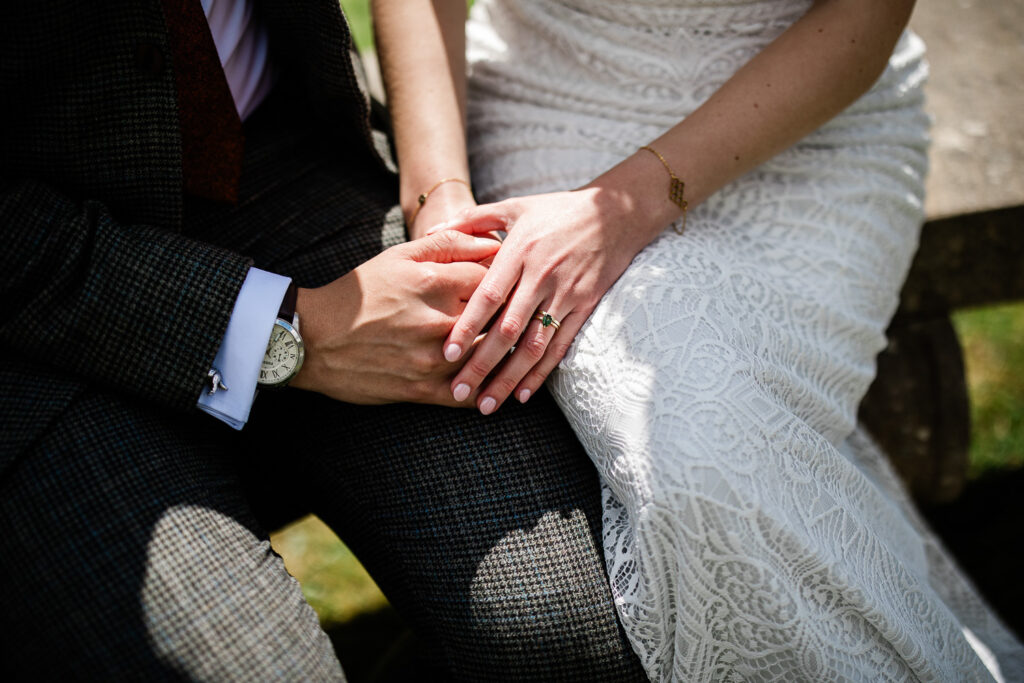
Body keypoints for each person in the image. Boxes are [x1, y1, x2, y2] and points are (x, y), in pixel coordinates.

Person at [374, 0, 1024, 679]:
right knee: (697, 455)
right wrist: (440, 202)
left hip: (810, 117)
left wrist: (627, 209)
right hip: (556, 100)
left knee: (708, 450)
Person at [0, 1, 649, 679]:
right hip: (27, 326)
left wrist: (437, 195)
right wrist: (296, 335)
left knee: (562, 626)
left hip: (276, 156)